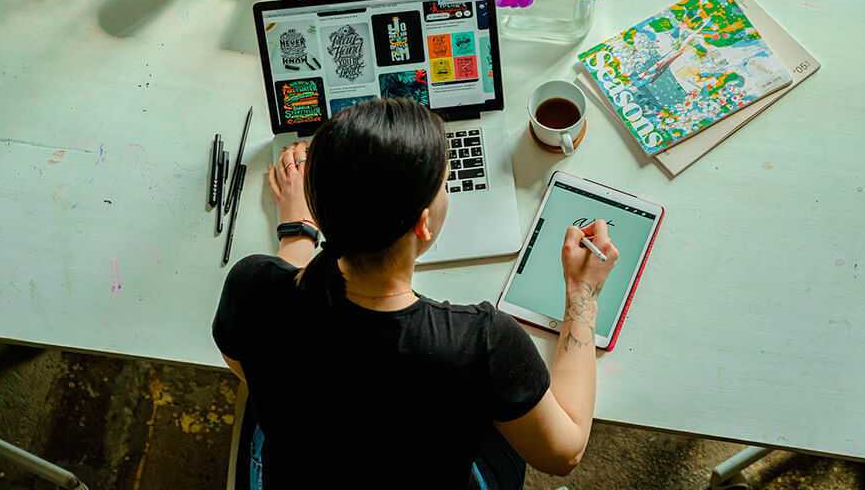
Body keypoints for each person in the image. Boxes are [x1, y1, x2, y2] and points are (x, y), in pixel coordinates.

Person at [212, 98, 619, 489]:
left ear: (322, 209)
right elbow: (563, 454)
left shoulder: (251, 286)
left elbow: (245, 364)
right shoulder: (481, 342)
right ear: (423, 224)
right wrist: (582, 293)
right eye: (445, 183)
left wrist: (297, 228)